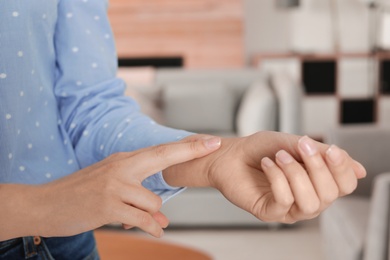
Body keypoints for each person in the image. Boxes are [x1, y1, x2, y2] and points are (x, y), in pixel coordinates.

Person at [0, 1, 366, 259]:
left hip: (57, 243)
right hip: (53, 217)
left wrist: (214, 160)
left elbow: (88, 108)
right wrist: (41, 204)